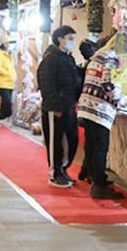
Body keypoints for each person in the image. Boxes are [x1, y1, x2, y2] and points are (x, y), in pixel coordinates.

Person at [77, 37, 123, 199]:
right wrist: (120, 99)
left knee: (91, 143)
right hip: (99, 108)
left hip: (88, 105)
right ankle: (99, 185)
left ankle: (88, 172)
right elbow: (108, 83)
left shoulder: (97, 56)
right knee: (100, 146)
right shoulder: (111, 58)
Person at [37, 25, 82, 188]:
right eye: (70, 39)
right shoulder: (50, 59)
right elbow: (46, 84)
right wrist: (54, 106)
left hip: (69, 106)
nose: (72, 42)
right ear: (60, 39)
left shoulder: (68, 58)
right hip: (55, 109)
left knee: (71, 140)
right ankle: (55, 172)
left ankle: (63, 169)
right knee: (55, 141)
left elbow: (75, 80)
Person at [0, 41, 16, 121]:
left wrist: (13, 76)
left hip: (10, 82)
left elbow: (12, 67)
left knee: (6, 100)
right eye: (7, 43)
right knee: (7, 100)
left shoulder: (10, 55)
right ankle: (6, 113)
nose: (9, 45)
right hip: (2, 82)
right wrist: (6, 73)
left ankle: (2, 115)